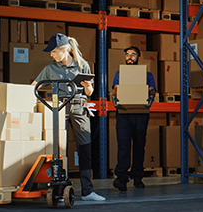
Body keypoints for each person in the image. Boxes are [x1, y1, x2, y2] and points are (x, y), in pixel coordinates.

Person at [33, 33, 106, 201]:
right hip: (59, 107)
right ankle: (60, 189)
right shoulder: (50, 68)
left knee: (85, 147)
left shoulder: (83, 66)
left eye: (53, 52)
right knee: (59, 149)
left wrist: (88, 87)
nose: (51, 55)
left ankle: (87, 191)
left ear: (63, 51)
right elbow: (34, 87)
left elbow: (89, 92)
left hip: (80, 106)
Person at [112, 46, 156, 191]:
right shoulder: (120, 73)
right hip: (124, 113)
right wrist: (116, 95)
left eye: (133, 54)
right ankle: (122, 178)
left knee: (139, 145)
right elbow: (115, 88)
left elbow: (152, 89)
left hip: (141, 113)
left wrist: (150, 94)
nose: (129, 57)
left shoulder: (147, 75)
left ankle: (137, 177)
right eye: (127, 55)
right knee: (123, 145)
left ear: (139, 58)